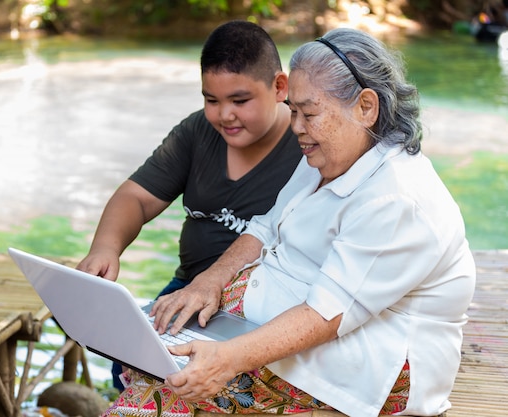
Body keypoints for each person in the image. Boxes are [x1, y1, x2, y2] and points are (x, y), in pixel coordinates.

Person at [103, 27, 477, 417]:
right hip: (284, 320)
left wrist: (228, 357)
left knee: (164, 394)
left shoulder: (396, 198)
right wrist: (210, 280)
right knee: (149, 351)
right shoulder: (328, 153)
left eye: (309, 113)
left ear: (366, 107)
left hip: (372, 366)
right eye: (293, 110)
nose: (296, 126)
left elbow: (327, 314)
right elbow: (265, 229)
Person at [76, 20, 302, 391]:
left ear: (280, 87)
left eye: (240, 101)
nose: (224, 115)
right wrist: (105, 248)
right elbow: (136, 197)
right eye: (211, 100)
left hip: (262, 305)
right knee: (127, 361)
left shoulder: (305, 142)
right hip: (187, 290)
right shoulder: (198, 132)